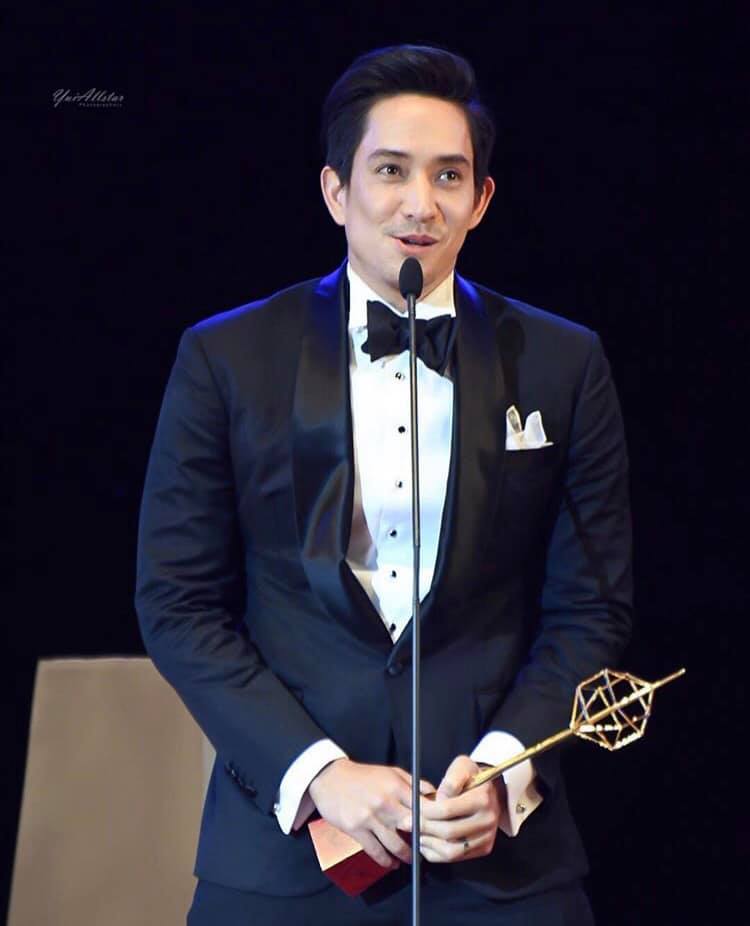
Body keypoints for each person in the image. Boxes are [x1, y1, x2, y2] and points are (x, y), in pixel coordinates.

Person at [135, 44, 632, 925]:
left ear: (481, 199)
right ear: (337, 190)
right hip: (286, 857)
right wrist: (320, 773)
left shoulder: (562, 361)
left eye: (449, 176)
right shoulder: (228, 356)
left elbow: (591, 605)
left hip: (498, 859)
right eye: (391, 170)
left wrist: (507, 768)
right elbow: (177, 601)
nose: (420, 203)